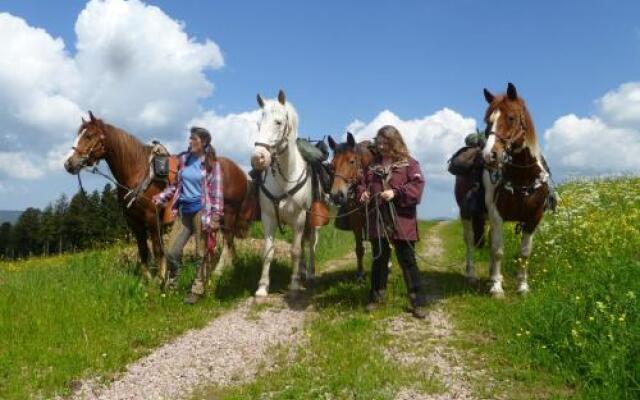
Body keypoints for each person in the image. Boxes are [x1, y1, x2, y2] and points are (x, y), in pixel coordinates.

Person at [356, 125, 427, 319]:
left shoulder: (409, 164)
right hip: (378, 218)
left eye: (384, 143)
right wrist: (362, 193)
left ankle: (417, 301)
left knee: (407, 260)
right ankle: (376, 297)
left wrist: (395, 193)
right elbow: (361, 183)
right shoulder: (371, 165)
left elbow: (417, 186)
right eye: (378, 142)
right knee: (379, 258)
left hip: (401, 219)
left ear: (394, 142)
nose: (380, 146)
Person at [153, 126, 224, 304]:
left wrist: (216, 216)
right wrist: (161, 197)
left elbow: (217, 193)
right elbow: (176, 185)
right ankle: (172, 284)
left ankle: (197, 289)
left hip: (202, 211)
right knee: (171, 251)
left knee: (201, 252)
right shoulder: (185, 159)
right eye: (190, 138)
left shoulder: (212, 165)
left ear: (204, 142)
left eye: (194, 139)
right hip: (184, 211)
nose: (190, 142)